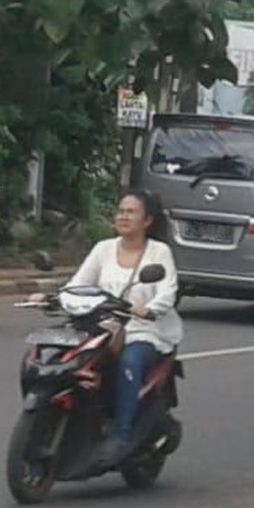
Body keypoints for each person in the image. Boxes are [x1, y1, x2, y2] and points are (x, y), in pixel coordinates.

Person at [66, 190, 181, 468]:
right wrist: (56, 297)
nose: (123, 216)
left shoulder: (159, 252)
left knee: (129, 361)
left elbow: (168, 291)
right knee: (68, 359)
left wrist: (149, 308)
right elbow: (78, 284)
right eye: (120, 211)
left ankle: (121, 435)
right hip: (103, 327)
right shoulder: (103, 248)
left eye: (131, 212)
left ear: (147, 220)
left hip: (144, 330)